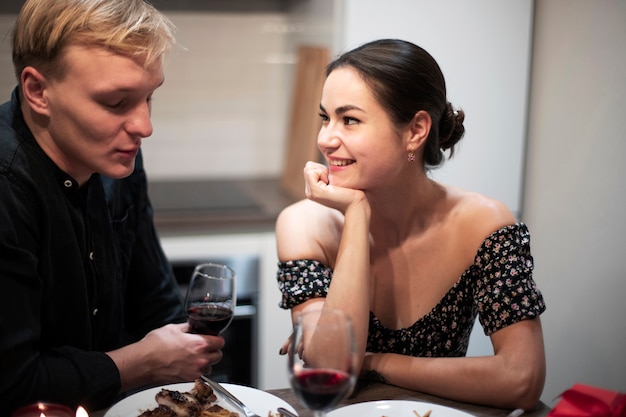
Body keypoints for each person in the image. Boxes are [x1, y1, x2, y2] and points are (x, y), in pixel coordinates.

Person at [276, 39, 546, 411]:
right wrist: (356, 216)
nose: (325, 139)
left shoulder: (485, 225)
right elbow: (332, 368)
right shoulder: (303, 225)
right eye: (326, 117)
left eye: (349, 120)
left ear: (416, 130)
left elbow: (522, 379)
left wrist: (373, 362)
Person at [0, 0, 225, 414]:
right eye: (116, 102)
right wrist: (139, 363)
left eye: (149, 97)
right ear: (38, 91)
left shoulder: (115, 158)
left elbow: (155, 303)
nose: (144, 126)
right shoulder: (7, 188)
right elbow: (12, 380)